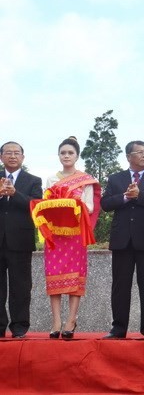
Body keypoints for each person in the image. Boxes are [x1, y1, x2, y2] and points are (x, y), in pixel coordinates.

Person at [101, 140, 144, 339]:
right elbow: (105, 203)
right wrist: (125, 197)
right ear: (129, 156)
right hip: (122, 240)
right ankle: (118, 328)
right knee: (120, 286)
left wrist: (139, 195)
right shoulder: (115, 179)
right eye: (140, 152)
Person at [42, 137, 101, 339]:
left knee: (75, 278)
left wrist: (70, 204)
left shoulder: (86, 179)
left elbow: (90, 206)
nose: (66, 156)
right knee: (54, 275)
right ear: (59, 156)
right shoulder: (51, 180)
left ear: (77, 156)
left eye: (70, 153)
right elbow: (45, 204)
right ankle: (56, 320)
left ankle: (71, 320)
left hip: (75, 233)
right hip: (56, 234)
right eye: (63, 153)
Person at [0, 142, 43, 339]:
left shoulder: (33, 180)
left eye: (16, 153)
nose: (12, 156)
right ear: (1, 157)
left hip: (20, 241)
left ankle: (19, 327)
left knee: (21, 286)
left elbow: (36, 206)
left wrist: (15, 194)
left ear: (23, 158)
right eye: (8, 153)